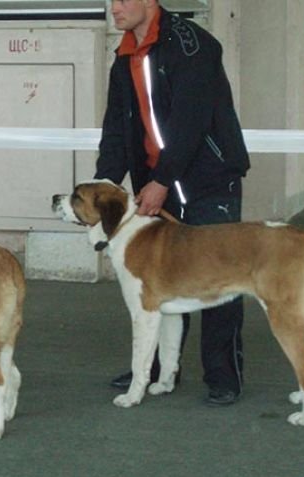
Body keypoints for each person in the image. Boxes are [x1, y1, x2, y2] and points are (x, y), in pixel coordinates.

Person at [97, 0, 250, 406]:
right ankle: (158, 369)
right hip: (156, 182)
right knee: (162, 281)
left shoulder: (192, 45)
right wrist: (104, 184)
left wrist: (162, 180)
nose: (114, 8)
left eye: (123, 0)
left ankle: (223, 375)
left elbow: (190, 121)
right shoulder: (124, 55)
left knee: (221, 277)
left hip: (207, 180)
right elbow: (117, 127)